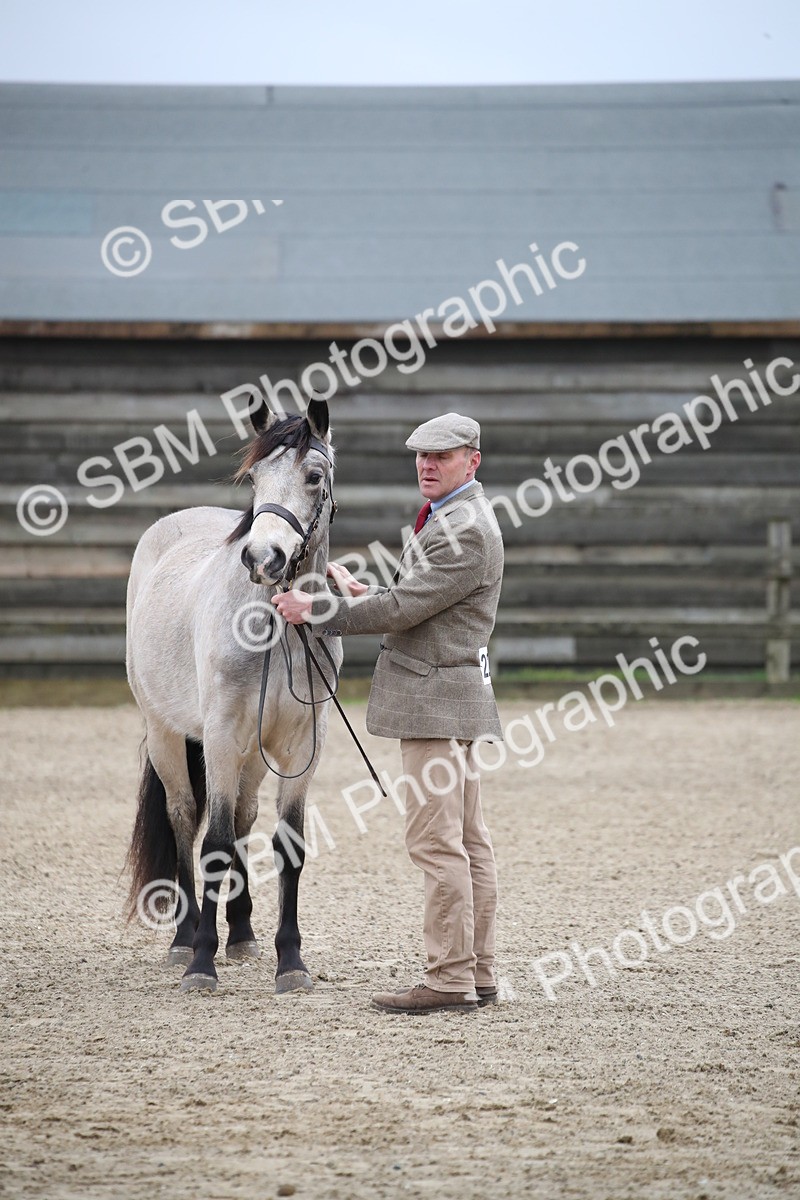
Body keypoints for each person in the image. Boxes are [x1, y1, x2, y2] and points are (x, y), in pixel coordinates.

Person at [273, 411, 504, 1014]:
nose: (428, 465)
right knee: (468, 843)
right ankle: (476, 973)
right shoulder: (455, 517)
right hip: (454, 700)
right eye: (422, 456)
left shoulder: (466, 528)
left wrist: (316, 606)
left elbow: (404, 609)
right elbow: (423, 603)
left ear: (471, 461)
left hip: (436, 705)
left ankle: (450, 979)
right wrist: (359, 594)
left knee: (438, 846)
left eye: (443, 456)